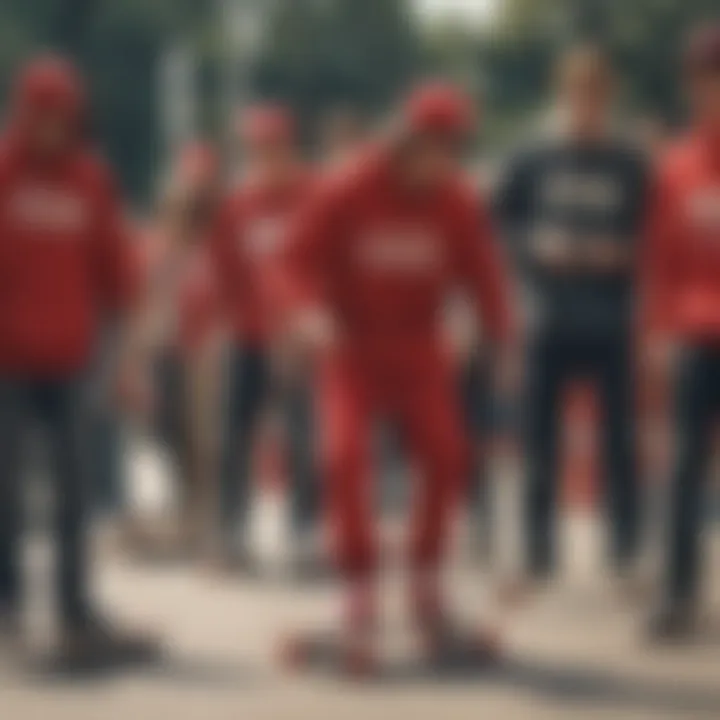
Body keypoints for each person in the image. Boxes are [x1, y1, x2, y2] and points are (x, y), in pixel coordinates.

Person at [281, 82, 514, 675]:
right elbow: (294, 261)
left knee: (446, 453)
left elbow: (484, 274)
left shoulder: (457, 201)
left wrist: (499, 337)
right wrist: (308, 314)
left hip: (418, 348)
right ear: (407, 140)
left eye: (453, 150)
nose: (443, 162)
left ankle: (425, 581)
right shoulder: (346, 188)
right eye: (435, 147)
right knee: (342, 458)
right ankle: (358, 589)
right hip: (352, 346)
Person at [0, 56, 157, 667]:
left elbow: (117, 273)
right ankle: (8, 603)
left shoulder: (91, 180)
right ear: (26, 112)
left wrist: (130, 357)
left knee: (73, 490)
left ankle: (72, 606)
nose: (56, 127)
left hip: (68, 360)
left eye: (66, 116)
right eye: (46, 115)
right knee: (5, 489)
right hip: (6, 363)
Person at [496, 45, 650, 599]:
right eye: (576, 93)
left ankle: (624, 552)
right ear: (561, 95)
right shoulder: (533, 155)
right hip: (547, 315)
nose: (586, 105)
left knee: (620, 443)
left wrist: (625, 252)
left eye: (596, 94)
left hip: (611, 316)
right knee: (538, 439)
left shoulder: (628, 160)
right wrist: (537, 246)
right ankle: (538, 551)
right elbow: (497, 223)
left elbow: (655, 231)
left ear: (608, 98)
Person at [209, 104, 321, 576]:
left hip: (301, 340)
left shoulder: (314, 196)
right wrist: (233, 323)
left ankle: (305, 532)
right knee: (234, 436)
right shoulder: (238, 205)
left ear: (290, 149)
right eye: (258, 150)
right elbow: (226, 273)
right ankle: (233, 531)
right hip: (250, 336)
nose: (267, 158)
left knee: (304, 437)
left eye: (275, 148)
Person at [645, 24, 720, 639]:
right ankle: (678, 593)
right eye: (707, 80)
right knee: (684, 469)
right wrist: (657, 336)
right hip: (697, 337)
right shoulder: (677, 166)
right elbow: (662, 262)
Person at [125, 142, 223, 559]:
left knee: (200, 440)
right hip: (163, 348)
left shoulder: (218, 245)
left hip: (204, 350)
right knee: (162, 436)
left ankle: (201, 520)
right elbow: (139, 295)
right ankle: (172, 518)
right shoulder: (155, 244)